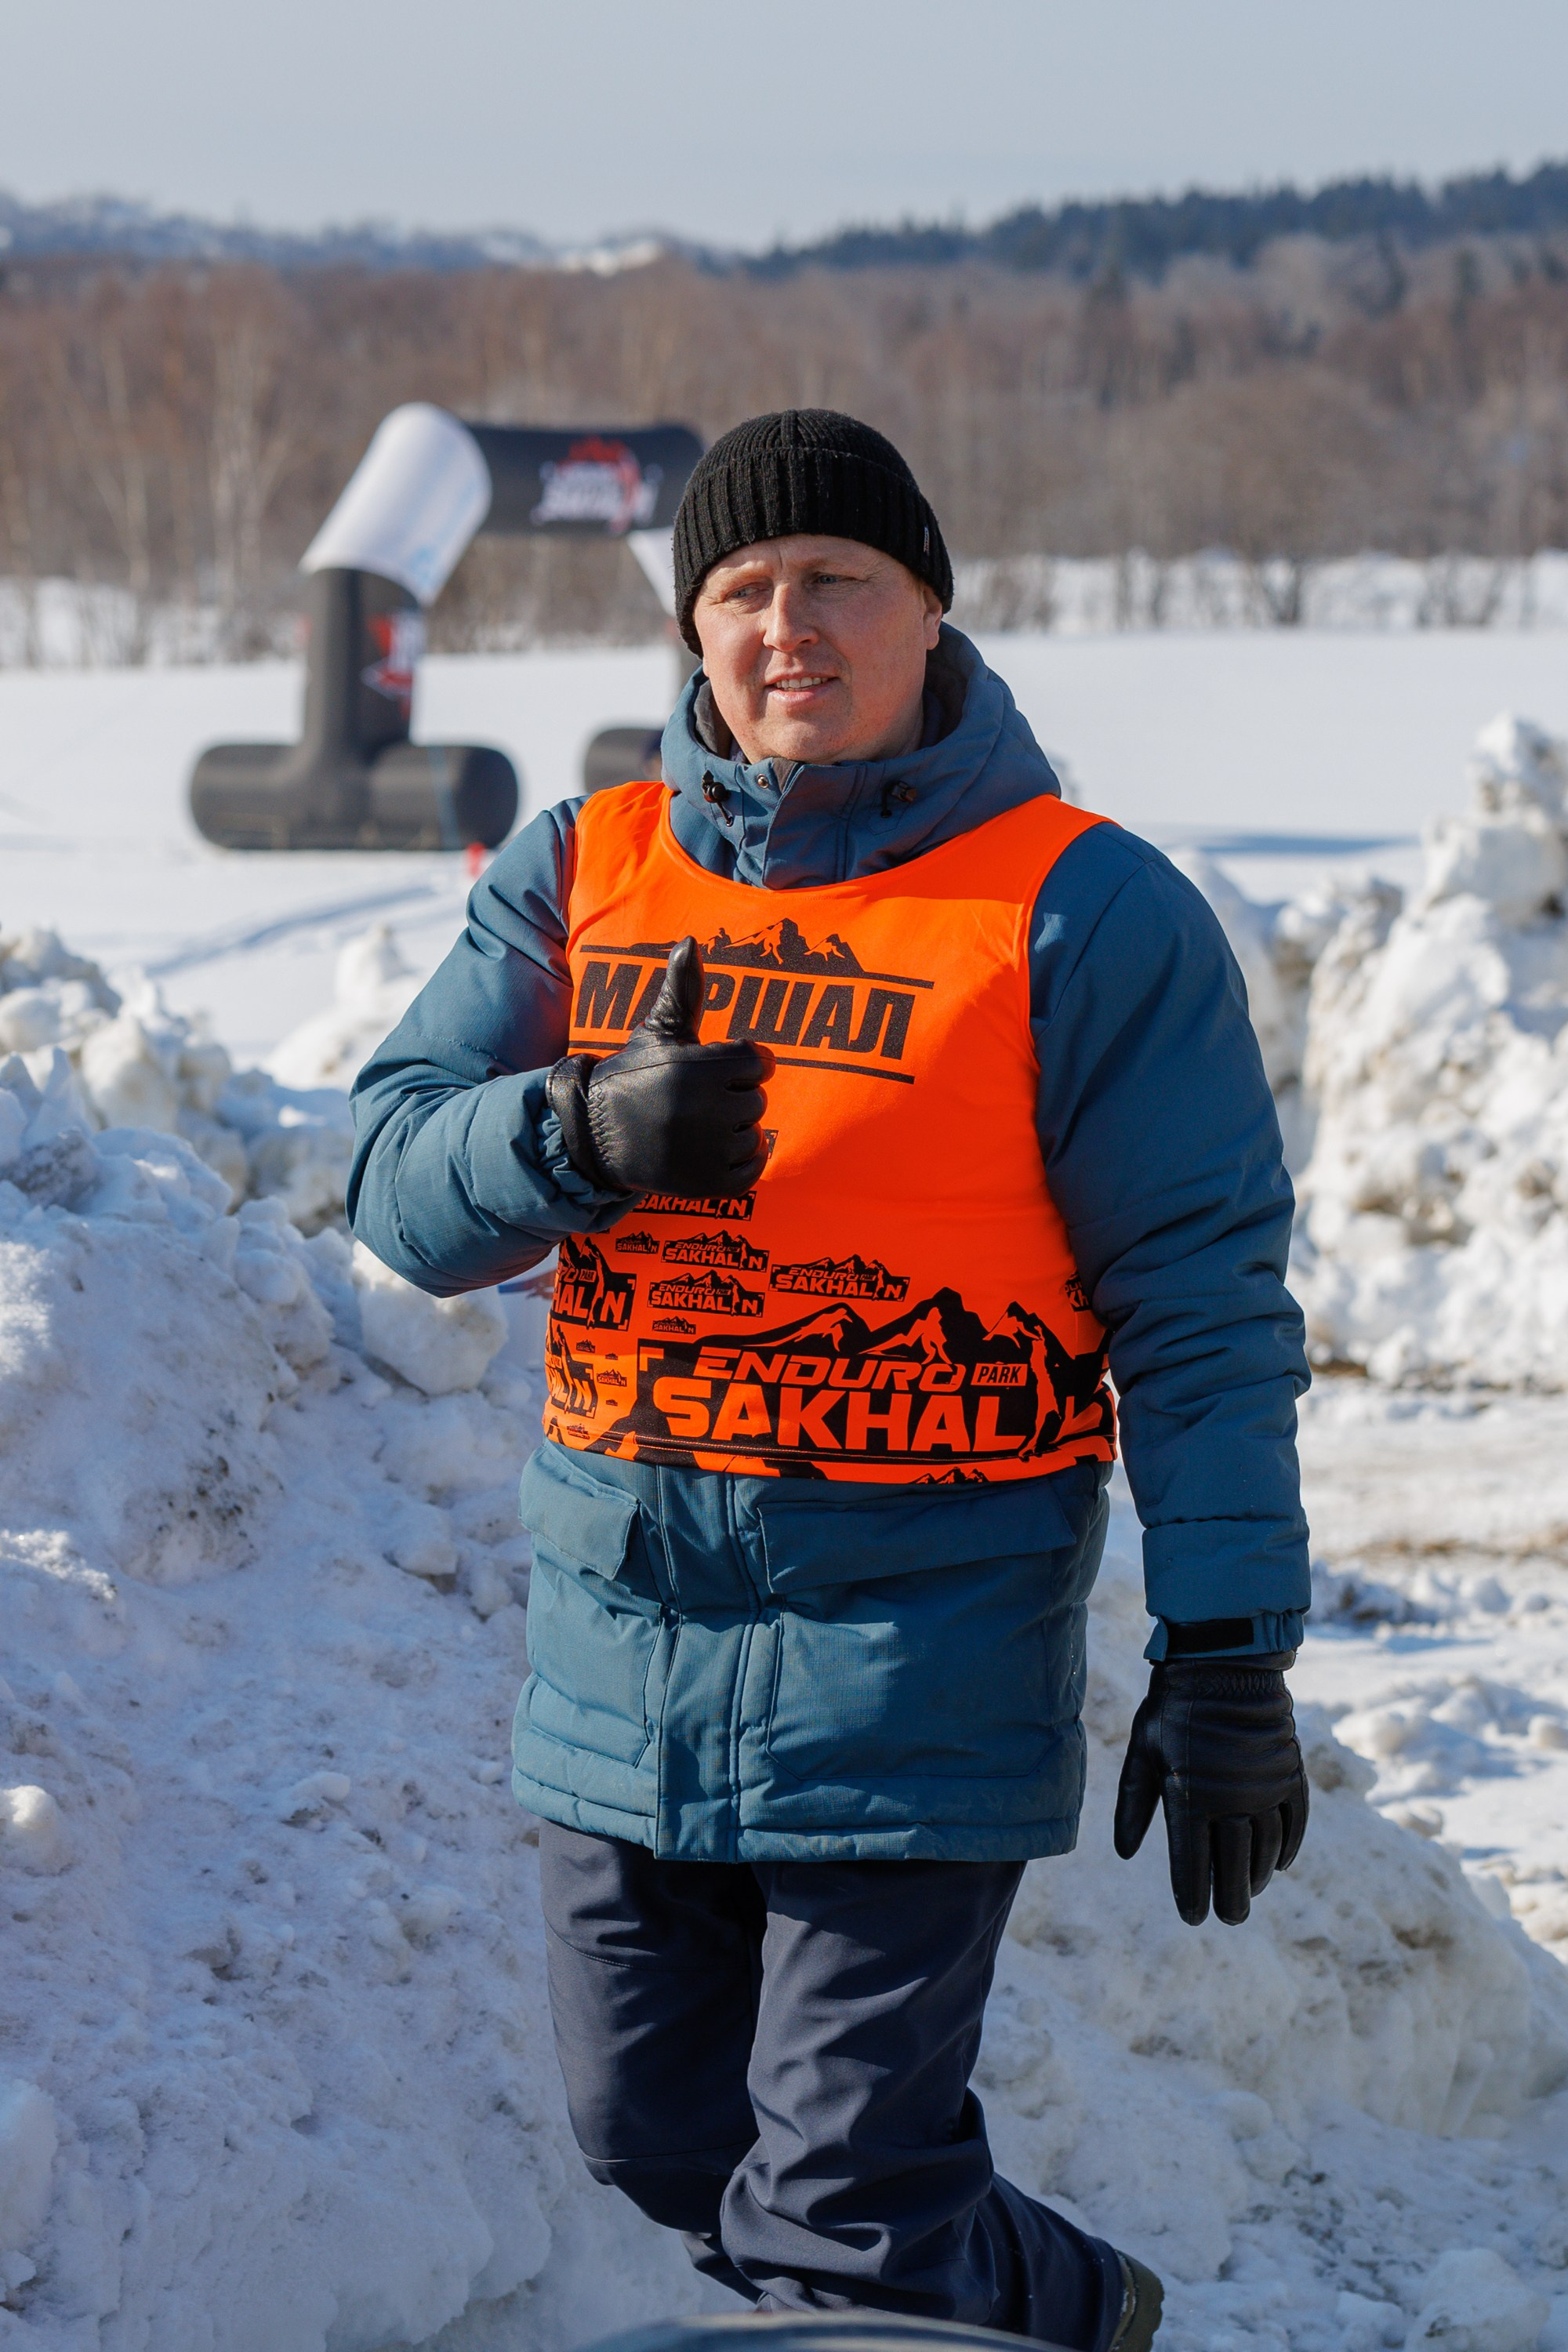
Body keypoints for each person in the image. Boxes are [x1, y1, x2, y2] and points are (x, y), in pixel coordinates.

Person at [348, 410, 1311, 2351]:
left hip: (918, 1649)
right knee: (656, 2139)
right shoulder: (585, 867)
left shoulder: (1082, 911)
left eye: (834, 581)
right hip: (622, 1653)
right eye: (740, 590)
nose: (788, 625)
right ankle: (1074, 2312)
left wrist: (1230, 1649)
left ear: (929, 604)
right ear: (692, 635)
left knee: (843, 2208)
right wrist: (582, 1134)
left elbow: (1198, 1301)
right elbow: (391, 1180)